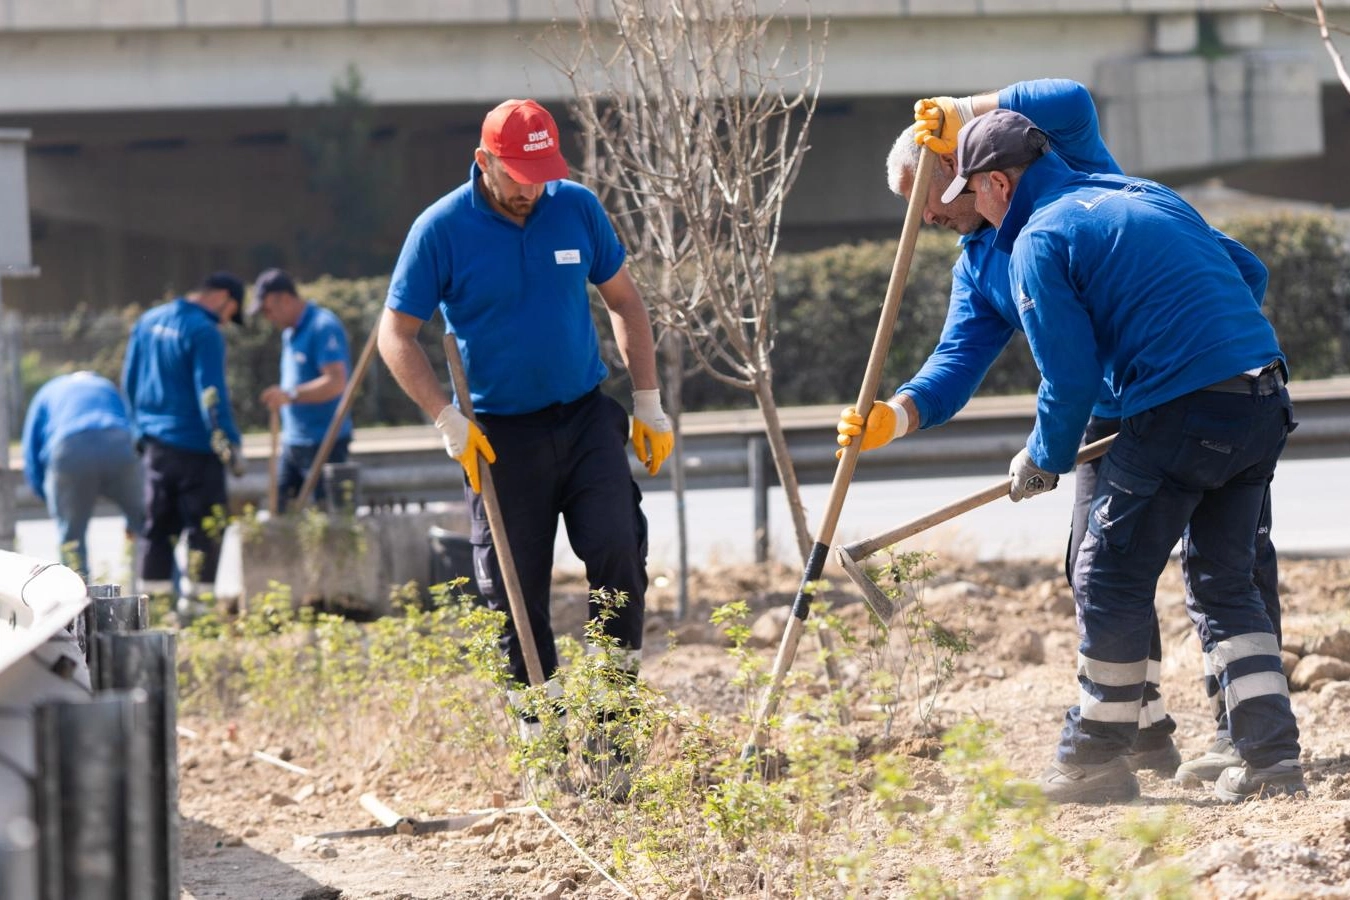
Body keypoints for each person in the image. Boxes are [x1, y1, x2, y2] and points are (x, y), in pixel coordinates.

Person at [836, 79, 1279, 786]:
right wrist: (899, 413)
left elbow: (1068, 96)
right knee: (1102, 564)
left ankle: (1161, 746)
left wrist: (964, 110)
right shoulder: (983, 262)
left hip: (1154, 398)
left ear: (975, 173)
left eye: (926, 197)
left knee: (1153, 571)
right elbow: (957, 360)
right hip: (1178, 399)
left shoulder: (1074, 171)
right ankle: (1145, 730)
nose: (924, 218)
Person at [939, 107, 1302, 804]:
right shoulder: (1145, 194)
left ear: (997, 185)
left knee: (1106, 573)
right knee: (1226, 584)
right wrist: (1191, 343)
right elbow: (1247, 271)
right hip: (1261, 396)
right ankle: (1272, 760)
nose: (971, 212)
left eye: (970, 195)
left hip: (1179, 410)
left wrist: (1041, 457)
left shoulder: (1039, 239)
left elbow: (1070, 379)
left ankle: (1095, 761)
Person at [376, 98, 673, 792]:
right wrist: (448, 419)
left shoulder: (575, 208)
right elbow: (397, 336)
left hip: (585, 418)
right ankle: (544, 752)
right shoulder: (441, 230)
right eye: (518, 175)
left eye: (542, 172)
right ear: (483, 162)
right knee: (511, 593)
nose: (531, 188)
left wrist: (649, 401)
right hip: (499, 437)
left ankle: (611, 732)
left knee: (619, 554)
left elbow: (625, 300)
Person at [121, 271, 246, 615]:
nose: (226, 319)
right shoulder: (205, 331)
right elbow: (211, 393)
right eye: (230, 311)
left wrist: (138, 432)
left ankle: (154, 612)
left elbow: (129, 382)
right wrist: (228, 442)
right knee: (207, 528)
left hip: (156, 447)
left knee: (157, 529)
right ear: (223, 297)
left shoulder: (146, 322)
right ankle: (199, 610)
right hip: (197, 448)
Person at [250, 268, 353, 512]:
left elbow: (336, 382)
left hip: (324, 441)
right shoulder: (290, 332)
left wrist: (291, 395)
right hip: (294, 441)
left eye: (268, 309)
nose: (267, 317)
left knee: (328, 516)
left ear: (285, 298)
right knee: (279, 510)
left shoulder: (322, 326)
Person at [21, 371, 144, 575]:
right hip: (120, 445)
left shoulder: (47, 391)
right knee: (146, 526)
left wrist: (47, 493)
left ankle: (78, 602)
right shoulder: (106, 385)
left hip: (70, 449)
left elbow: (31, 449)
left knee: (71, 538)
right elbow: (132, 421)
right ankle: (158, 597)